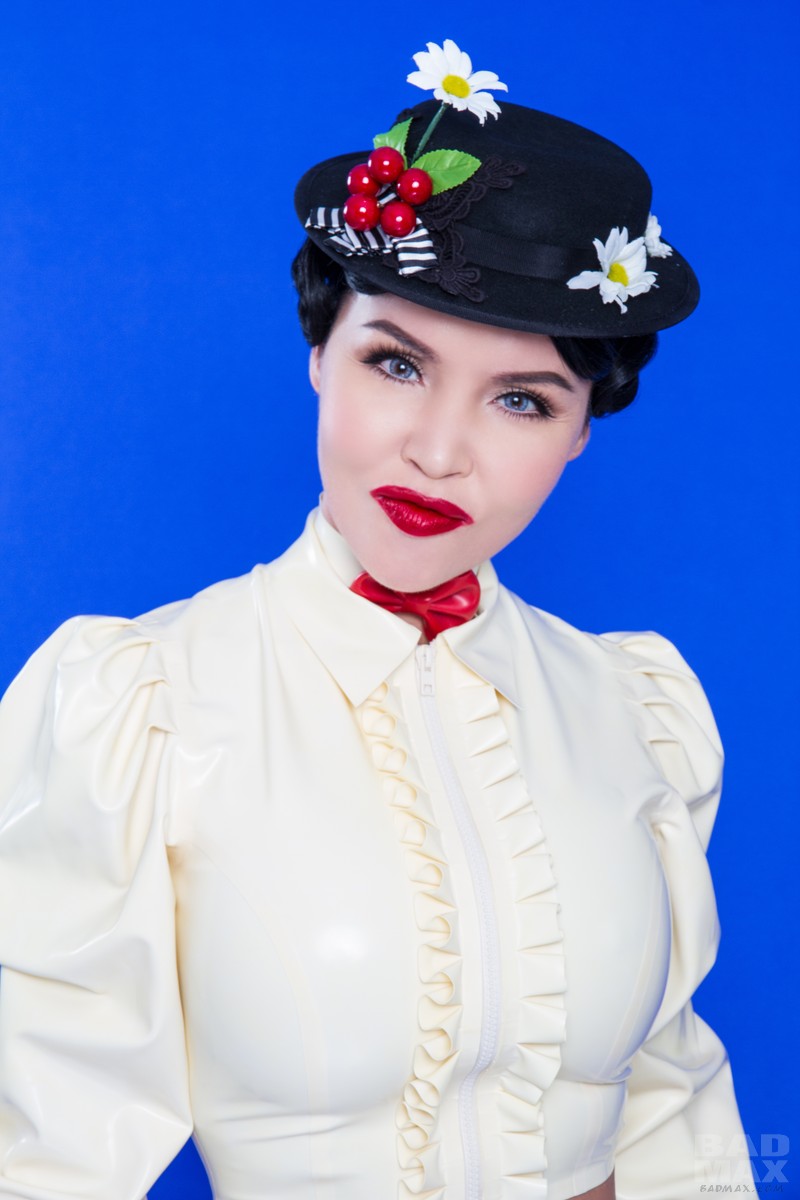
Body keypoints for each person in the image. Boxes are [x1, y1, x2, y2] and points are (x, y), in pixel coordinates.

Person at [0, 39, 753, 1200]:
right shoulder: (144, 709)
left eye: (520, 399)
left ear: (580, 430)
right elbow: (44, 1155)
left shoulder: (635, 711)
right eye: (396, 365)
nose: (438, 452)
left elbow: (672, 1120)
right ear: (318, 352)